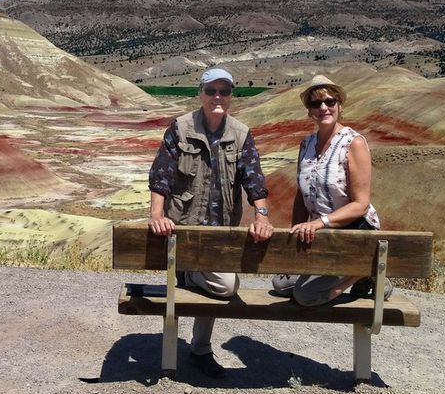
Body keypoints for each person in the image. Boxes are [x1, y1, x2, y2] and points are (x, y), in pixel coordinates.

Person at [147, 67, 273, 378]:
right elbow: (161, 176)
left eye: (225, 91)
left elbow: (253, 179)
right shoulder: (180, 128)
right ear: (200, 93)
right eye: (212, 91)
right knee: (216, 284)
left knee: (222, 285)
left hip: (219, 230)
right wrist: (156, 215)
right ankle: (196, 351)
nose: (218, 96)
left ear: (231, 97)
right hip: (182, 226)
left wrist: (262, 214)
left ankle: (196, 341)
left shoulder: (240, 134)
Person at [272, 74, 390, 306]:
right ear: (309, 110)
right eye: (316, 103)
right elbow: (301, 194)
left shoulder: (353, 143)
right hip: (321, 234)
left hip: (352, 233)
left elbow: (360, 204)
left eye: (330, 102)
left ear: (339, 105)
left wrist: (318, 223)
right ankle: (350, 275)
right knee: (280, 284)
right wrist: (297, 230)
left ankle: (363, 273)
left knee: (305, 295)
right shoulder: (306, 144)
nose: (323, 108)